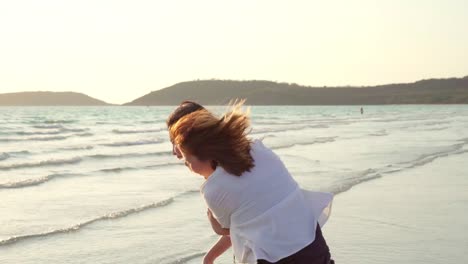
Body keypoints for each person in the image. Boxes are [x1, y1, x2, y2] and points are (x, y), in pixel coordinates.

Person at [167, 100, 334, 264]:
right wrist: (210, 256)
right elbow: (251, 218)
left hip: (275, 255)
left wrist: (215, 226)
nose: (176, 152)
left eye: (176, 142)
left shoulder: (214, 187)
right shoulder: (255, 149)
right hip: (312, 242)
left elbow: (229, 228)